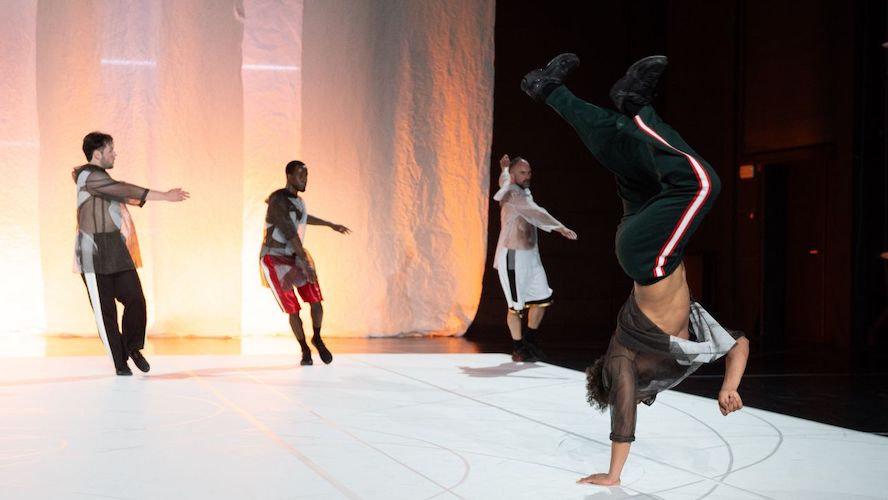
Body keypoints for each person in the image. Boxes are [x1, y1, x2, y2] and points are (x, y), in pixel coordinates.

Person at [521, 54, 750, 486]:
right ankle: (549, 90)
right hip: (645, 245)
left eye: (640, 397)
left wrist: (613, 474)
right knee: (629, 151)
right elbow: (739, 344)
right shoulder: (678, 360)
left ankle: (636, 102)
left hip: (649, 258)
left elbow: (622, 414)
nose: (645, 400)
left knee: (702, 184)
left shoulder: (622, 363)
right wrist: (729, 387)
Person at [73, 132, 190, 376]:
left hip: (115, 248)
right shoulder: (87, 176)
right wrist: (165, 196)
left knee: (136, 300)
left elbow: (123, 193)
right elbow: (124, 189)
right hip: (93, 252)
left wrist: (162, 197)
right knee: (106, 313)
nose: (114, 153)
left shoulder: (102, 178)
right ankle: (120, 363)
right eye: (110, 149)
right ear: (97, 153)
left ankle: (133, 346)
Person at [259, 160, 351, 366]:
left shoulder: (298, 202)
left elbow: (302, 217)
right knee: (293, 308)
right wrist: (305, 262)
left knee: (316, 300)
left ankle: (317, 337)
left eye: (306, 175)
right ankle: (304, 349)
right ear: (289, 176)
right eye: (301, 175)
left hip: (294, 255)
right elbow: (289, 232)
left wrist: (330, 224)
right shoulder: (278, 199)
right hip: (275, 258)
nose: (304, 180)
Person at [492, 154, 577, 362]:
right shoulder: (512, 193)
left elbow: (504, 180)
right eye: (522, 172)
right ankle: (518, 347)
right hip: (513, 257)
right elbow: (536, 212)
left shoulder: (519, 188)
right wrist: (559, 227)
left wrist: (504, 169)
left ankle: (529, 340)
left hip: (531, 256)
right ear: (514, 175)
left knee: (542, 299)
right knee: (516, 306)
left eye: (529, 172)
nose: (527, 175)